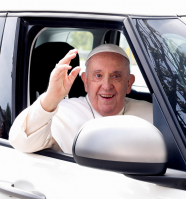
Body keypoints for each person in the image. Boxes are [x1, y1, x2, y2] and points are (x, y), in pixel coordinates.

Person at [9, 44, 152, 154]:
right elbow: (22, 142)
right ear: (85, 81)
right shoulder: (62, 113)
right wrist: (51, 99)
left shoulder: (152, 114)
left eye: (116, 76)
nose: (107, 86)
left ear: (129, 83)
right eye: (98, 75)